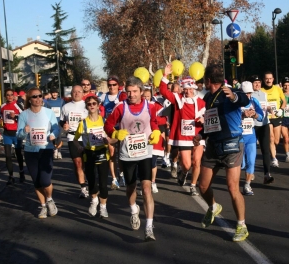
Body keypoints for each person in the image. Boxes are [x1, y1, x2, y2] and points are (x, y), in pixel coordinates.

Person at [194, 64, 250, 242]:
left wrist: (234, 96)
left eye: (204, 79)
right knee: (202, 186)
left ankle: (241, 225)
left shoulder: (228, 92)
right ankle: (213, 207)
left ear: (208, 80)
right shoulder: (209, 97)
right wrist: (201, 134)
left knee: (232, 187)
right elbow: (212, 122)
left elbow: (243, 100)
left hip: (232, 145)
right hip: (213, 146)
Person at [104, 76, 161, 241]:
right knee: (130, 188)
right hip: (127, 154)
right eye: (128, 92)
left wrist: (156, 132)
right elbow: (107, 125)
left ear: (141, 92)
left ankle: (149, 227)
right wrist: (115, 133)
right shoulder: (120, 107)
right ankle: (133, 210)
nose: (131, 95)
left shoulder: (150, 106)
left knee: (146, 188)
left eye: (135, 91)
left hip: (144, 152)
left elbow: (155, 122)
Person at [160, 65, 206, 196]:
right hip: (183, 136)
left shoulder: (201, 102)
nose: (187, 92)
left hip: (197, 134)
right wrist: (165, 76)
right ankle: (183, 173)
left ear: (194, 89)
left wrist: (203, 119)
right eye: (185, 89)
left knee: (197, 162)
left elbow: (207, 115)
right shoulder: (178, 99)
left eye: (190, 89)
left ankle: (192, 185)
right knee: (186, 164)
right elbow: (164, 91)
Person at [17, 87, 60, 218]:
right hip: (30, 151)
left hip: (46, 149)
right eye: (34, 97)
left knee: (45, 180)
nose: (38, 99)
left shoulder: (49, 112)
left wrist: (53, 134)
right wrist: (25, 131)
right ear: (29, 100)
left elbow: (56, 128)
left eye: (40, 96)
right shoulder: (24, 115)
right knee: (36, 181)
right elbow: (19, 135)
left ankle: (50, 200)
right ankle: (43, 206)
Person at [74, 96, 115, 217]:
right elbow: (75, 139)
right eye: (89, 104)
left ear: (98, 105)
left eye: (94, 103)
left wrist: (108, 141)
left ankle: (103, 207)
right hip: (89, 153)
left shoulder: (104, 121)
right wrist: (79, 147)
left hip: (102, 152)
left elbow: (112, 138)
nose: (91, 106)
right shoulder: (83, 123)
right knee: (92, 180)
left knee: (103, 182)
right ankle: (94, 200)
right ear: (86, 107)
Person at [60, 85, 89, 198]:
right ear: (71, 93)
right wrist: (64, 125)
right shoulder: (66, 107)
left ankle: (87, 180)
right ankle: (83, 188)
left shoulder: (87, 105)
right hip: (73, 138)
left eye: (79, 92)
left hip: (86, 138)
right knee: (78, 164)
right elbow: (62, 121)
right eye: (74, 92)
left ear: (82, 93)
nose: (76, 93)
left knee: (86, 164)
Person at [99, 76, 125, 189]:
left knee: (122, 153)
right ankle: (114, 179)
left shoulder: (122, 95)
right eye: (110, 85)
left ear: (118, 85)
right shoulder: (103, 96)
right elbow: (97, 108)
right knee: (111, 153)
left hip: (121, 127)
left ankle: (122, 174)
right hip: (110, 128)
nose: (112, 87)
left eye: (114, 84)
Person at [240, 81, 264, 196]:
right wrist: (243, 115)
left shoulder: (254, 101)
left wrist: (254, 115)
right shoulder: (235, 103)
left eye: (249, 93)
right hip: (238, 137)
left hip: (250, 136)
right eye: (245, 93)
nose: (247, 96)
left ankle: (247, 185)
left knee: (251, 161)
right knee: (242, 164)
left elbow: (261, 117)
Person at [251, 75, 274, 184]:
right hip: (252, 125)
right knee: (252, 150)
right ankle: (250, 172)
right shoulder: (249, 95)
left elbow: (267, 106)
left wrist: (270, 109)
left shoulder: (264, 94)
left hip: (264, 124)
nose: (257, 85)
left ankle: (267, 174)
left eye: (259, 82)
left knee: (265, 149)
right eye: (255, 83)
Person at [0, 89, 25, 184]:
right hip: (7, 133)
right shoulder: (2, 106)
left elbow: (24, 118)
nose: (9, 96)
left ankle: (21, 173)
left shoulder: (18, 105)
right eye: (7, 95)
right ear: (5, 96)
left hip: (16, 133)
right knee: (8, 156)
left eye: (11, 95)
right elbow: (0, 115)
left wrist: (16, 117)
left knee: (18, 155)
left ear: (13, 96)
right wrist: (0, 120)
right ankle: (11, 176)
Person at [261, 71, 286, 168]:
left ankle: (273, 151)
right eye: (266, 78)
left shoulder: (277, 89)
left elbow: (284, 101)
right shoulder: (261, 91)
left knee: (276, 141)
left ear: (273, 79)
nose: (268, 80)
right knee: (271, 138)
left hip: (277, 116)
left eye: (270, 78)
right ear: (264, 80)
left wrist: (281, 110)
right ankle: (274, 158)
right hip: (267, 117)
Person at [47, 88, 66, 159]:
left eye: (56, 93)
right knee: (52, 137)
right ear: (51, 93)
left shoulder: (61, 101)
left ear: (58, 93)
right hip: (51, 122)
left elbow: (64, 110)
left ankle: (59, 151)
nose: (54, 94)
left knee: (59, 137)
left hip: (59, 122)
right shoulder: (48, 102)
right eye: (53, 93)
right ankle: (55, 150)